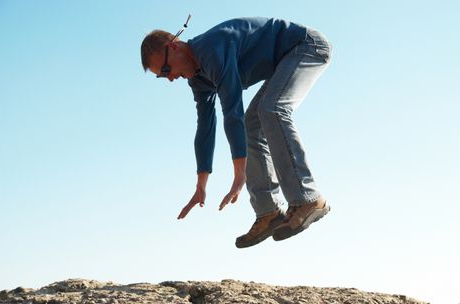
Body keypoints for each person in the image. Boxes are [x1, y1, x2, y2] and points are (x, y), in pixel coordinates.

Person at [141, 16, 333, 248]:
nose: (170, 78)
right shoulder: (198, 79)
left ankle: (309, 199)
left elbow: (232, 109)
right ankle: (269, 212)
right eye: (162, 77)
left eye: (165, 69)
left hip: (306, 46)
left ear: (174, 46)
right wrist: (201, 184)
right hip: (285, 59)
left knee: (272, 109)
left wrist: (239, 174)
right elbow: (205, 127)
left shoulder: (211, 49)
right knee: (253, 123)